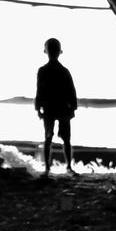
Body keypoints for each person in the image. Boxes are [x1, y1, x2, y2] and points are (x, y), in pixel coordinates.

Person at [35, 37, 78, 177]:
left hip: (49, 108)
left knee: (48, 137)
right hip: (62, 107)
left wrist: (38, 109)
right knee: (65, 139)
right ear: (59, 52)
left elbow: (39, 91)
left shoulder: (43, 71)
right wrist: (73, 108)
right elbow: (72, 91)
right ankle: (68, 167)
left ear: (46, 52)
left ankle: (48, 168)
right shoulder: (64, 71)